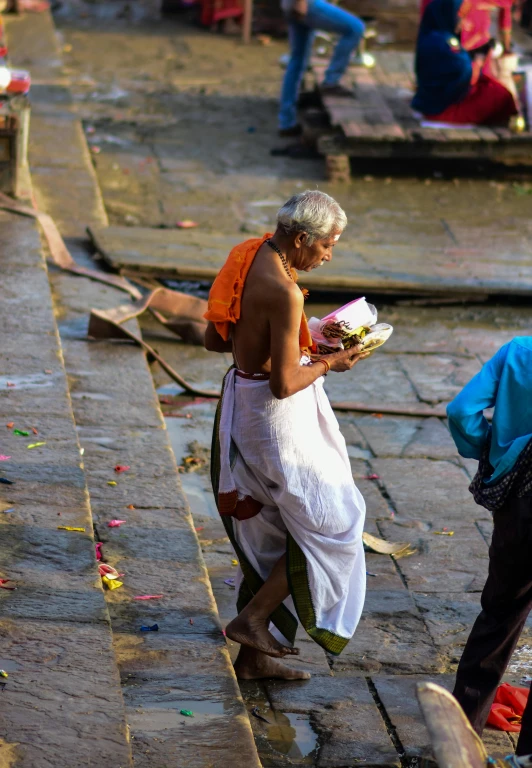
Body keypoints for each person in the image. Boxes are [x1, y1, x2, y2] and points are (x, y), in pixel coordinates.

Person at [204, 190, 368, 681]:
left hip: (239, 401)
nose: (328, 256)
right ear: (301, 239)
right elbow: (282, 384)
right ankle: (253, 619)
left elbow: (215, 338)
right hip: (272, 420)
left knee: (271, 527)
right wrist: (330, 361)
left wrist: (297, 339)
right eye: (327, 246)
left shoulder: (247, 253)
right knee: (336, 525)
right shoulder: (286, 289)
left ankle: (255, 659)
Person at [447, 337, 532, 756]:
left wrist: (490, 449)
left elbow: (461, 411)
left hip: (518, 501)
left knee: (499, 613)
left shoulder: (519, 352)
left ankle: (462, 735)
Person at [412, 0, 517, 125]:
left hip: (430, 101)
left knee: (493, 89)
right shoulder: (445, 44)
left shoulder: (431, 36)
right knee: (500, 97)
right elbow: (464, 72)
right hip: (442, 108)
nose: (463, 22)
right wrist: (477, 65)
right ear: (448, 14)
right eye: (459, 16)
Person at [278, 0, 365, 137]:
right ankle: (331, 80)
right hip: (306, 4)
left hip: (289, 4)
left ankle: (286, 123)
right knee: (355, 28)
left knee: (297, 61)